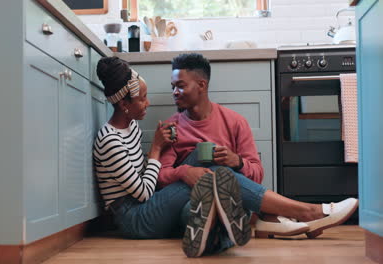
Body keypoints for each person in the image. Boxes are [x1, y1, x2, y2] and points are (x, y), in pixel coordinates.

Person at [157, 53, 359, 256]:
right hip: (191, 203)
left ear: (201, 85)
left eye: (180, 86)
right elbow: (162, 177)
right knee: (205, 197)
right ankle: (299, 214)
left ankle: (269, 221)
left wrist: (237, 162)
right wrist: (186, 172)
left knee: (222, 179)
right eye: (173, 86)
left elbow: (257, 173)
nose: (175, 92)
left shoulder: (235, 122)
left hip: (231, 202)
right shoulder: (172, 128)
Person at [93, 57, 248, 258]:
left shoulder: (131, 127)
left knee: (202, 156)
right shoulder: (110, 141)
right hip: (133, 218)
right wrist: (157, 148)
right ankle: (249, 209)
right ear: (124, 104)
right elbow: (144, 193)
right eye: (142, 98)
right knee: (212, 172)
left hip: (145, 205)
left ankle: (219, 234)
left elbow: (142, 179)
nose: (147, 103)